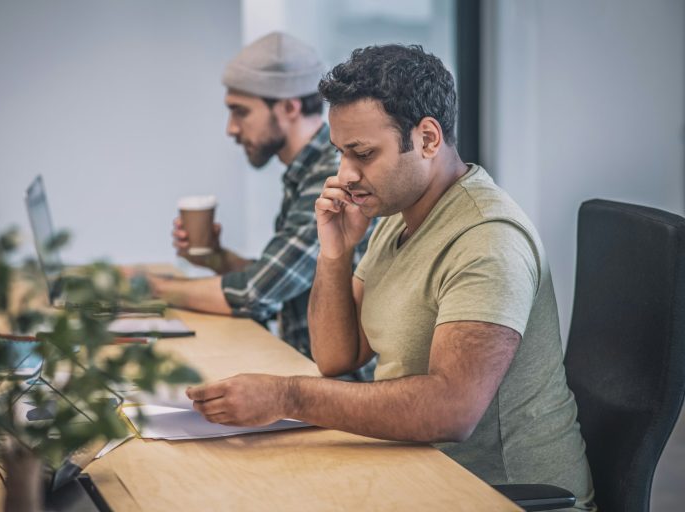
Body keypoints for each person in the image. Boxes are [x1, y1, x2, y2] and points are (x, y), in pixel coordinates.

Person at [184, 44, 596, 509]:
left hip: (497, 495)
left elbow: (451, 410)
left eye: (362, 154)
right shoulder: (397, 215)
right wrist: (334, 253)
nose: (347, 175)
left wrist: (286, 396)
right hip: (418, 469)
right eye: (341, 153)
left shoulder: (488, 239)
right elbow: (338, 356)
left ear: (427, 139)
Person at [147, 32, 371, 362]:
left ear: (289, 107)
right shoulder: (304, 171)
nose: (231, 129)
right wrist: (215, 259)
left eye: (240, 112)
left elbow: (256, 294)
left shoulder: (332, 175)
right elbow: (283, 278)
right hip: (305, 365)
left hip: (340, 386)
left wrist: (149, 289)